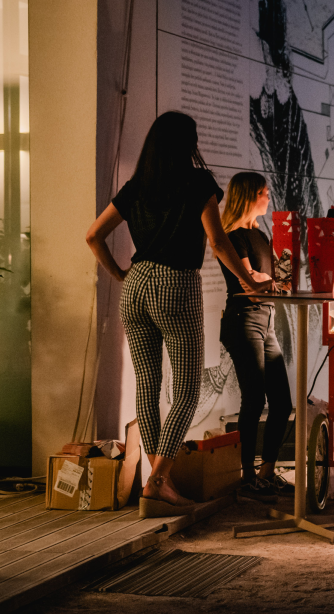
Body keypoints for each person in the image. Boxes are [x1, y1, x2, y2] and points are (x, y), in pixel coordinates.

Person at [86, 112, 272, 518]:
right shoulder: (198, 182)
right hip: (175, 284)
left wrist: (120, 274)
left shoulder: (137, 187)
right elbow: (219, 242)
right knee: (187, 389)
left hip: (136, 285)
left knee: (147, 387)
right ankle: (156, 484)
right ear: (186, 144)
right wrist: (248, 282)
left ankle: (160, 482)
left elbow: (93, 235)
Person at [216, 172, 293, 503]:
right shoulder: (234, 237)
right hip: (243, 319)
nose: (268, 196)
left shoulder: (260, 234)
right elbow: (251, 280)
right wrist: (265, 280)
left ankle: (266, 472)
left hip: (266, 320)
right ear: (248, 197)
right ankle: (246, 476)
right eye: (263, 192)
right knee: (255, 399)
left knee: (282, 403)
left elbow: (275, 277)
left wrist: (271, 279)